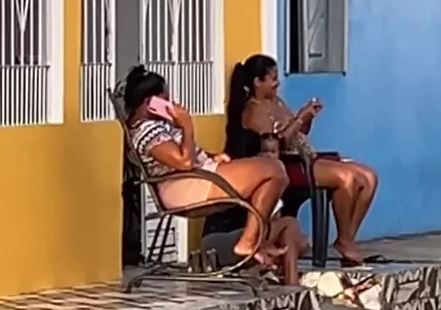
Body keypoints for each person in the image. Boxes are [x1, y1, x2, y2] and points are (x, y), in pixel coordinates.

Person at [123, 65, 289, 267]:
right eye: (165, 99)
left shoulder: (159, 125)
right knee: (273, 170)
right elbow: (184, 162)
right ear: (150, 103)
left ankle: (255, 242)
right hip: (185, 187)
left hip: (199, 177)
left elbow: (188, 154)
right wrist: (186, 124)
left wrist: (211, 156)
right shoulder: (145, 132)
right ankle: (248, 242)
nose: (170, 103)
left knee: (274, 175)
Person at [225, 54, 379, 265]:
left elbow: (299, 133)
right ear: (257, 82)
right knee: (346, 178)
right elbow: (276, 144)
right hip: (287, 165)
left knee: (369, 178)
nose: (277, 83)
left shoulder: (277, 102)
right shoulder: (253, 110)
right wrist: (299, 118)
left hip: (306, 157)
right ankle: (344, 239)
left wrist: (308, 117)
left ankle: (347, 238)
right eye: (272, 79)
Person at [202, 133, 309, 284]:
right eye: (264, 152)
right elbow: (257, 229)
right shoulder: (250, 181)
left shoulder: (276, 187)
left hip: (250, 242)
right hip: (221, 242)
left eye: (273, 152)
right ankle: (291, 283)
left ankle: (279, 278)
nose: (269, 157)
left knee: (299, 241)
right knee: (290, 224)